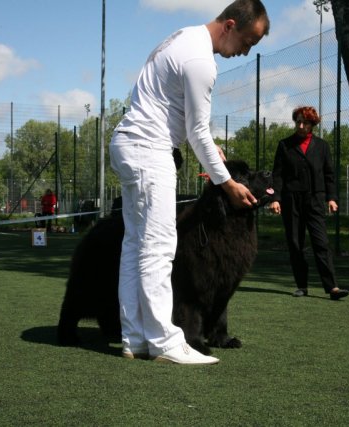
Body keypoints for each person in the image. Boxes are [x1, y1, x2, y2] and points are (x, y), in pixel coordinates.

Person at [108, 0, 269, 365]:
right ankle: (164, 341)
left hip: (128, 142)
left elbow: (177, 114)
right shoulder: (201, 61)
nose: (245, 52)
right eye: (247, 41)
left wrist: (208, 147)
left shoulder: (181, 37)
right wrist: (227, 183)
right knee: (160, 245)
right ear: (230, 25)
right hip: (150, 149)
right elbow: (197, 132)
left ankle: (134, 337)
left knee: (135, 244)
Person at [269, 106, 349, 301]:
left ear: (313, 124)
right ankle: (301, 286)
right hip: (291, 200)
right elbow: (277, 175)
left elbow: (329, 174)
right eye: (298, 121)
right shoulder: (285, 145)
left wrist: (331, 198)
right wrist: (275, 198)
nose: (301, 125)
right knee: (295, 244)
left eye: (305, 122)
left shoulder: (322, 146)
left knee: (321, 243)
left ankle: (332, 288)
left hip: (315, 200)